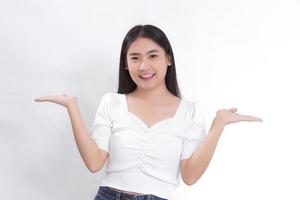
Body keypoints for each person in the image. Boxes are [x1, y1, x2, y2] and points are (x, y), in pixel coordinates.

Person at [34, 24, 263, 200]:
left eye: (152, 56)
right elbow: (94, 163)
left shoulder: (190, 112)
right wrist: (73, 108)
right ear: (125, 64)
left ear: (168, 59)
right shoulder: (112, 102)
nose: (143, 66)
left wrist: (218, 126)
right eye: (135, 58)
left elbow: (190, 176)